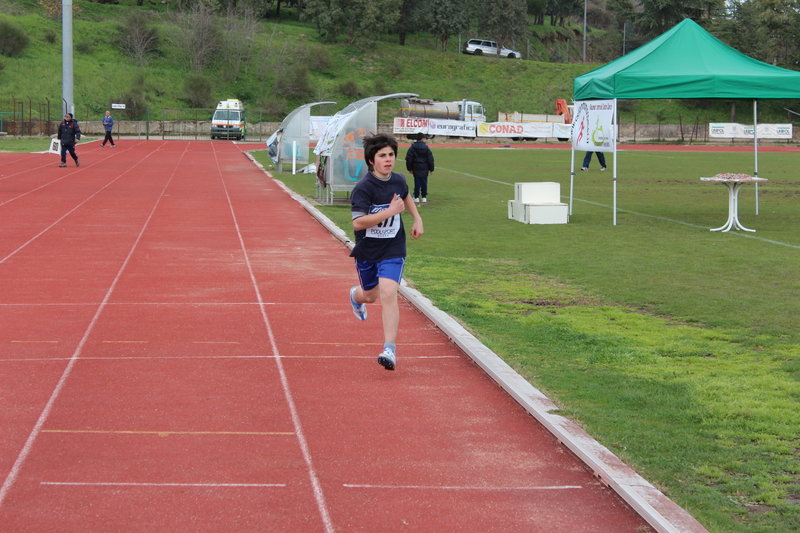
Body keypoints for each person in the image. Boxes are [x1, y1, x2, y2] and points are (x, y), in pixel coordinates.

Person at [348, 133, 424, 371]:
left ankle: (389, 349)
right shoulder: (363, 188)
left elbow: (405, 196)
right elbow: (358, 223)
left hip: (393, 247)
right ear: (372, 160)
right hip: (368, 250)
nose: (388, 159)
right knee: (370, 296)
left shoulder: (399, 180)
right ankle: (355, 295)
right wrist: (389, 212)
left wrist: (417, 219)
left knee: (389, 292)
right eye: (382, 156)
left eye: (391, 154)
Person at [404, 134, 435, 203]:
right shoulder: (426, 148)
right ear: (422, 139)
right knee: (424, 182)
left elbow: (409, 159)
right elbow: (430, 159)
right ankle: (424, 197)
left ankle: (416, 197)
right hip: (424, 168)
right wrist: (431, 169)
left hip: (416, 167)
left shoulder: (412, 148)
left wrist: (409, 168)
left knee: (417, 183)